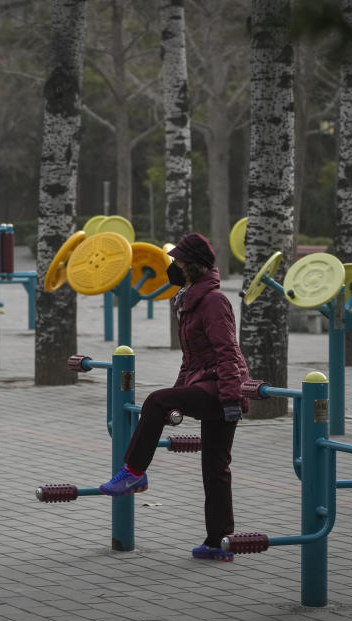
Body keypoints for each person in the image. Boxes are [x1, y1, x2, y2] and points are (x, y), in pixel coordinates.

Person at [98, 232, 249, 562]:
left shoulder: (213, 301)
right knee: (215, 467)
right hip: (206, 383)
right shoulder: (189, 301)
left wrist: (230, 399)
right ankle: (219, 544)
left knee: (155, 400)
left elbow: (228, 353)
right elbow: (190, 360)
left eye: (178, 262)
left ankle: (134, 473)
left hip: (221, 388)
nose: (173, 266)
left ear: (193, 266)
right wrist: (178, 394)